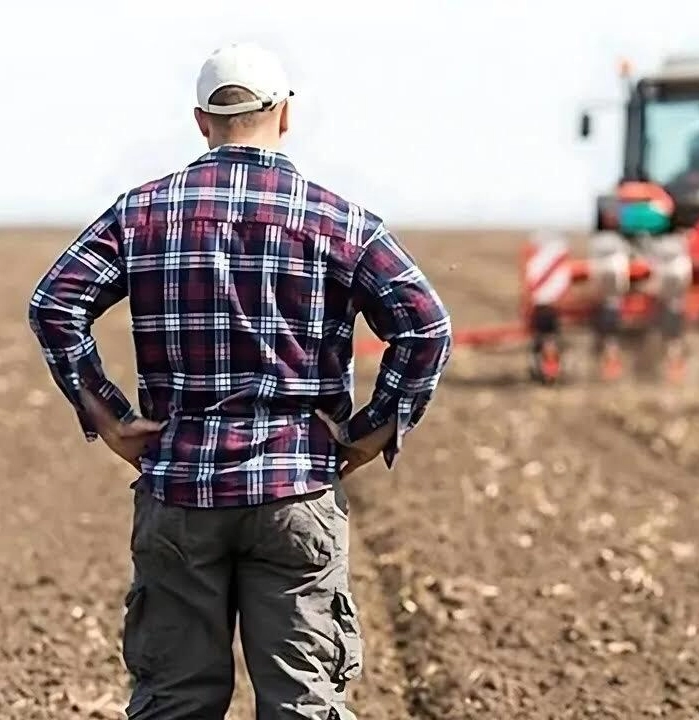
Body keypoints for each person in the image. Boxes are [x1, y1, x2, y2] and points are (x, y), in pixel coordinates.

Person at [26, 42, 452, 719]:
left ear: (202, 120)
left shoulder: (142, 213)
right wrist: (372, 433)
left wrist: (107, 416)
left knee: (174, 700)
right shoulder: (340, 220)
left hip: (180, 490)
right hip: (296, 490)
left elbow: (54, 303)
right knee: (303, 702)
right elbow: (425, 326)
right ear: (285, 114)